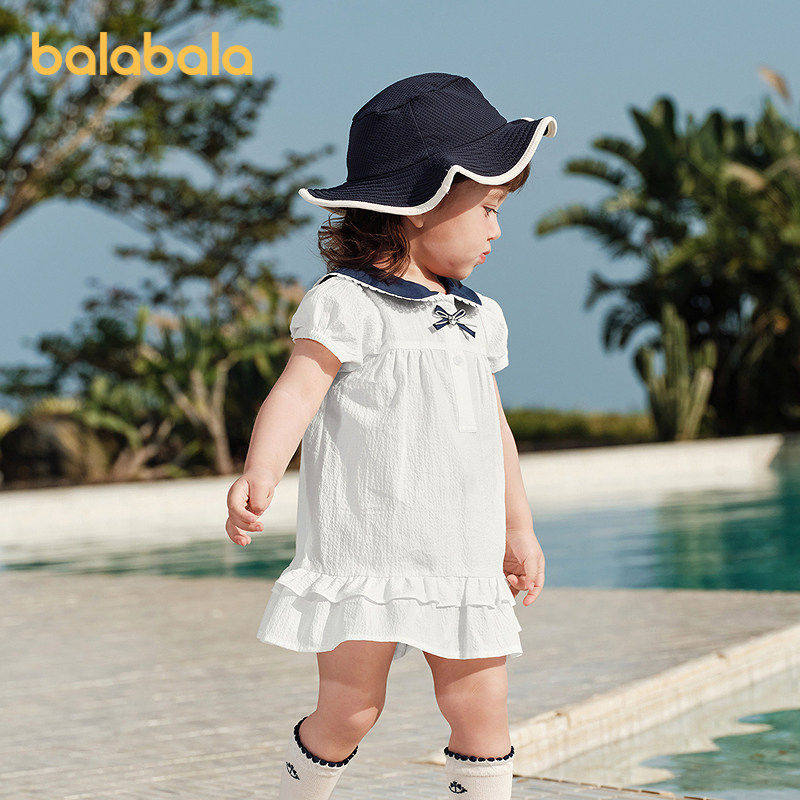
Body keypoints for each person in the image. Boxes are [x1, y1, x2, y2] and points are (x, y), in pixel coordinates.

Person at [225, 72, 556, 800]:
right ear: (420, 204)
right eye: (488, 209)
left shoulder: (479, 319)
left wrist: (518, 528)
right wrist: (261, 472)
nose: (498, 230)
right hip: (368, 550)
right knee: (351, 711)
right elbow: (297, 391)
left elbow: (492, 429)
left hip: (461, 554)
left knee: (481, 709)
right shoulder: (348, 304)